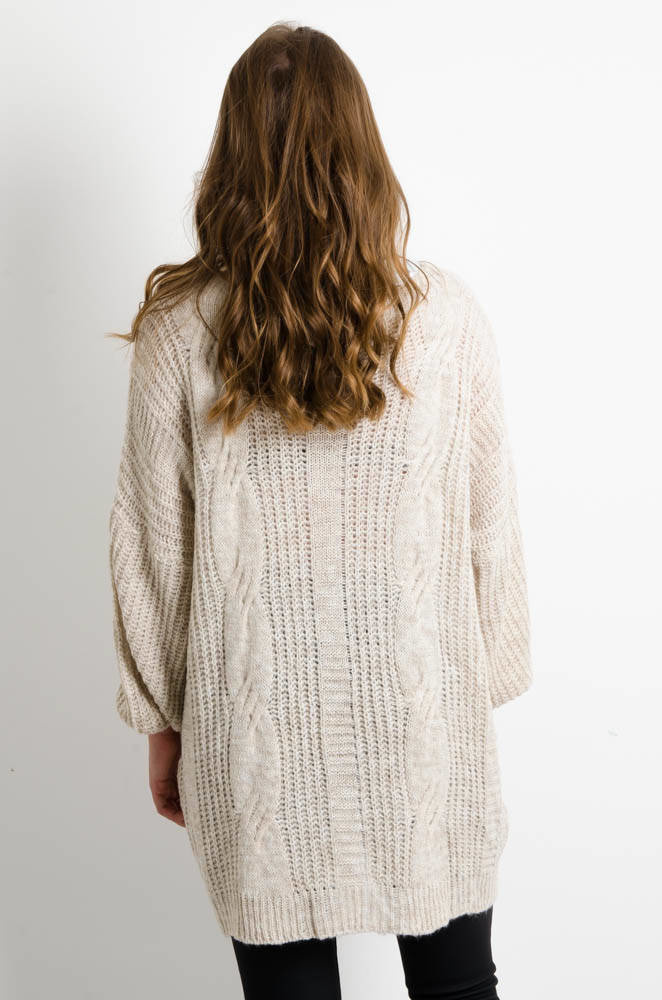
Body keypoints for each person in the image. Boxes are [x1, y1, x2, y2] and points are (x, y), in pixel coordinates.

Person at [107, 21, 532, 1000]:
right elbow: (489, 524)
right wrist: (488, 673)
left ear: (230, 155)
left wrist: (162, 722)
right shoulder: (445, 318)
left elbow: (154, 553)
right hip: (424, 724)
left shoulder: (177, 331)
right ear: (361, 149)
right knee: (458, 987)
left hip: (251, 734)